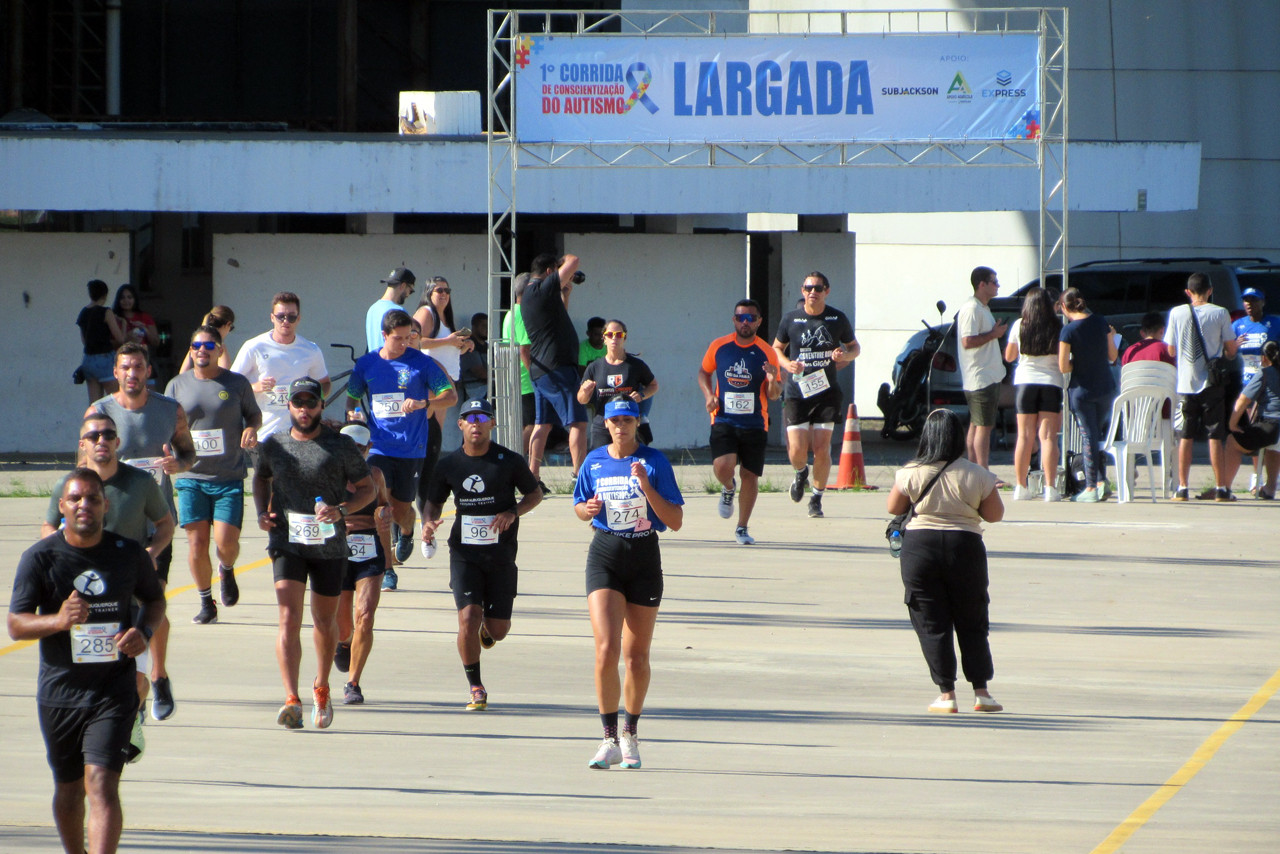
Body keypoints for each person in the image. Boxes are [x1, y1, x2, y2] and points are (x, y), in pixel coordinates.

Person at [10, 469, 166, 854]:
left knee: (101, 783)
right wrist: (59, 620)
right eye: (76, 498)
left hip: (113, 690)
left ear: (105, 506)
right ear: (61, 505)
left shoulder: (127, 553)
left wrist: (142, 633)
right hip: (60, 692)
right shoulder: (41, 558)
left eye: (93, 498)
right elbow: (16, 623)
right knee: (68, 787)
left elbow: (155, 600)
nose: (84, 505)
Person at [43, 412, 174, 764]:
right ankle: (100, 728)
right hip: (84, 602)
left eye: (108, 435)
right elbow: (48, 528)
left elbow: (165, 524)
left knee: (136, 679)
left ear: (117, 442)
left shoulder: (140, 483)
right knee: (87, 676)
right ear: (82, 444)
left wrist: (151, 554)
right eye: (94, 435)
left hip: (128, 598)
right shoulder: (67, 487)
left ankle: (133, 713)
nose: (102, 440)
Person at [253, 377, 375, 730]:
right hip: (287, 542)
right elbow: (260, 478)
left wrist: (342, 510)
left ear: (321, 405)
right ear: (288, 406)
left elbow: (366, 489)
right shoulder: (273, 445)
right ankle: (291, 698)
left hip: (329, 546)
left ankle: (321, 687)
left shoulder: (340, 446)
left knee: (325, 622)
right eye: (298, 403)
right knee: (288, 618)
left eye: (311, 403)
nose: (304, 409)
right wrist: (262, 512)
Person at [572, 399, 684, 769]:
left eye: (627, 420)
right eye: (615, 420)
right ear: (606, 423)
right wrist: (585, 510)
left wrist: (647, 486)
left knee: (636, 657)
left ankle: (630, 734)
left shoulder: (655, 461)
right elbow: (579, 504)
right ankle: (607, 739)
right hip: (605, 553)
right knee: (606, 649)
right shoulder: (594, 461)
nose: (621, 426)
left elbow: (675, 520)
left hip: (644, 557)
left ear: (638, 422)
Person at [88, 342, 196, 722]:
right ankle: (120, 689)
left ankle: (159, 674)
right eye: (125, 367)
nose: (132, 373)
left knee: (154, 601)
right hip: (108, 528)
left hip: (154, 528)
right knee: (111, 608)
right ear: (115, 373)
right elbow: (81, 470)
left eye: (138, 367)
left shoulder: (169, 410)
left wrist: (175, 464)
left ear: (149, 371)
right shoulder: (99, 413)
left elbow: (189, 454)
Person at [422, 398, 543, 711]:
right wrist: (428, 523)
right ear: (460, 425)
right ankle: (475, 686)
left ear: (492, 424)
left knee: (498, 630)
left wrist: (513, 512)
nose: (476, 423)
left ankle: (488, 631)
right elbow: (433, 502)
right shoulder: (449, 464)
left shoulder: (509, 461)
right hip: (464, 553)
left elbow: (535, 494)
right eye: (469, 418)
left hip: (501, 554)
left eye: (482, 418)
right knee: (468, 617)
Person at [886, 409, 1005, 715]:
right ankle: (982, 693)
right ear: (959, 438)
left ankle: (946, 694)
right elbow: (994, 516)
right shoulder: (978, 474)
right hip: (964, 548)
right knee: (972, 620)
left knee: (931, 622)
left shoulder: (910, 471)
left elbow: (893, 507)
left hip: (919, 549)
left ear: (927, 436)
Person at [345, 309, 456, 586]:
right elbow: (352, 397)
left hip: (411, 449)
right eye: (399, 338)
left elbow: (451, 396)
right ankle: (386, 568)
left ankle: (407, 531)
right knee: (379, 506)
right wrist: (353, 413)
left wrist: (424, 404)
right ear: (384, 336)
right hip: (379, 447)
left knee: (399, 509)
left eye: (410, 337)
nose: (405, 342)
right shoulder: (367, 364)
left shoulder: (421, 363)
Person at [165, 325, 262, 625]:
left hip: (228, 478)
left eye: (209, 346)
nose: (202, 351)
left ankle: (227, 569)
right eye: (197, 346)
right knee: (196, 543)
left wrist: (250, 429)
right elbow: (165, 424)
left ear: (220, 350)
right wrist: (167, 450)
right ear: (190, 350)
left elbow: (254, 415)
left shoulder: (236, 383)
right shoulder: (176, 386)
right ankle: (206, 601)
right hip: (191, 477)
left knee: (225, 544)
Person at [771, 271, 859, 518]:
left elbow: (855, 348)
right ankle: (800, 473)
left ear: (826, 291)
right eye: (808, 288)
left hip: (826, 392)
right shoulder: (791, 319)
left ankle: (817, 499)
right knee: (797, 451)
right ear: (802, 291)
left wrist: (845, 356)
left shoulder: (836, 318)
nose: (813, 292)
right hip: (798, 392)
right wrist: (787, 364)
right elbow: (776, 348)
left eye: (818, 288)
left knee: (822, 449)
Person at [697, 298, 781, 544]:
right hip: (723, 418)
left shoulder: (767, 352)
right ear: (734, 320)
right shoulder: (719, 346)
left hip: (755, 423)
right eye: (741, 317)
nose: (745, 322)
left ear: (759, 322)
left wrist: (773, 379)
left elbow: (774, 395)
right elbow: (704, 371)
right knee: (723, 466)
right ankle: (728, 488)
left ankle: (742, 528)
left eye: (751, 318)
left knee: (750, 475)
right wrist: (708, 395)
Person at [332, 422, 394, 705]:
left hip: (368, 549)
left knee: (365, 616)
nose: (354, 453)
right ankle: (344, 643)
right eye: (349, 447)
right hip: (337, 550)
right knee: (343, 627)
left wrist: (384, 513)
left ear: (368, 449)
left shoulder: (375, 474)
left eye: (360, 447)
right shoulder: (327, 475)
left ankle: (353, 683)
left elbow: (383, 504)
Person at [1164, 273, 1240, 501]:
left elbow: (1170, 350)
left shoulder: (1177, 313)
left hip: (1186, 383)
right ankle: (1221, 488)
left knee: (1185, 435)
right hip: (1212, 382)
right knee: (1215, 435)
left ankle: (1183, 488)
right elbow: (1230, 350)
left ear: (1188, 292)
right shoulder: (1220, 313)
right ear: (1210, 290)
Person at [230, 291, 331, 445]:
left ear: (298, 319)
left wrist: (311, 401)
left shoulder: (311, 350)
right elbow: (231, 384)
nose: (286, 321)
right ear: (272, 318)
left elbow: (325, 383)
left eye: (291, 317)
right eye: (280, 316)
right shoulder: (254, 346)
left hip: (300, 435)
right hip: (264, 435)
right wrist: (255, 387)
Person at [522, 252, 589, 482]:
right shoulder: (540, 289)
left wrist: (565, 293)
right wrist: (563, 262)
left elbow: (557, 319)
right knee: (578, 421)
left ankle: (533, 475)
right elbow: (574, 259)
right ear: (550, 272)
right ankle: (579, 474)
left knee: (543, 424)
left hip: (543, 371)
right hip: (558, 368)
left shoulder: (533, 295)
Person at [411, 277, 474, 519]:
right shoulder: (426, 312)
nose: (444, 294)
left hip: (444, 381)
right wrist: (449, 341)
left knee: (434, 435)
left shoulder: (444, 316)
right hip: (431, 379)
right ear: (429, 292)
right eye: (439, 290)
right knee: (426, 433)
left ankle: (425, 490)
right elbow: (417, 341)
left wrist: (461, 345)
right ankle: (419, 486)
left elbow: (441, 344)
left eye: (447, 290)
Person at [1003, 287, 1064, 501]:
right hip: (1051, 383)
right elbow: (1062, 360)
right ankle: (1050, 488)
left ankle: (1021, 487)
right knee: (1048, 437)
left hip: (1024, 383)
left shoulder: (1019, 325)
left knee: (1024, 436)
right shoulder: (1058, 326)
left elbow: (1009, 356)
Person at [1058, 288, 1119, 503]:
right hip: (1105, 387)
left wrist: (1079, 362)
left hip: (1082, 390)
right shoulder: (1101, 322)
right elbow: (1113, 356)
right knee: (1097, 436)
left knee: (1088, 437)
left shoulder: (1068, 331)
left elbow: (1063, 366)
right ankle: (1101, 481)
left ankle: (1091, 486)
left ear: (1064, 307)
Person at [957, 266, 1009, 471]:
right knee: (984, 427)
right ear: (982, 284)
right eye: (994, 282)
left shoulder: (982, 307)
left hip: (985, 376)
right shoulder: (972, 309)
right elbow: (967, 341)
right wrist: (993, 335)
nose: (998, 286)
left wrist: (993, 332)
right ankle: (983, 471)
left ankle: (974, 469)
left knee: (977, 425)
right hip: (980, 376)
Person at [578, 319, 659, 450]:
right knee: (601, 465)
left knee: (629, 463)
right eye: (610, 335)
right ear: (604, 338)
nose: (614, 338)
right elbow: (581, 399)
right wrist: (585, 392)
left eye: (619, 335)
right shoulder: (595, 367)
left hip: (626, 423)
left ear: (624, 338)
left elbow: (654, 385)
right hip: (603, 424)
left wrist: (641, 395)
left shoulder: (635, 365)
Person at [1230, 289, 1280, 492]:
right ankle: (1256, 476)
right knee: (1253, 429)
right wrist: (1234, 345)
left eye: (1254, 300)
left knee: (1269, 430)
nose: (1249, 304)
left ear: (1263, 302)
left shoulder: (1274, 323)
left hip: (1270, 381)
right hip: (1248, 382)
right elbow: (1228, 353)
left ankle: (1271, 479)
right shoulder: (1238, 325)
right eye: (1246, 301)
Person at [1224, 340, 1280, 499]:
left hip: (1272, 424)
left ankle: (1225, 488)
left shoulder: (1265, 373)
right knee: (1273, 447)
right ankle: (1269, 489)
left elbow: (1243, 400)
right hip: (1276, 433)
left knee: (1232, 442)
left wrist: (1232, 423)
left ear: (1263, 358)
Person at [501, 273, 537, 457]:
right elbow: (524, 349)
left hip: (517, 376)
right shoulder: (523, 313)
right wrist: (535, 377)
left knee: (526, 424)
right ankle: (516, 459)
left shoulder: (510, 313)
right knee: (532, 424)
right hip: (526, 379)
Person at [75, 278, 126, 402]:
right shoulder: (106, 312)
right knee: (115, 402)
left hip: (88, 360)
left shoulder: (83, 313)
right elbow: (120, 339)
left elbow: (84, 341)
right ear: (105, 294)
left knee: (95, 405)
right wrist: (123, 324)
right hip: (105, 359)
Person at [365, 267, 417, 353]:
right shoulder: (398, 311)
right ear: (403, 286)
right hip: (392, 363)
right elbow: (405, 344)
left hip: (374, 362)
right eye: (410, 290)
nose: (408, 294)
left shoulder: (373, 308)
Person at [178, 306, 236, 373]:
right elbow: (225, 373)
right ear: (228, 324)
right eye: (231, 328)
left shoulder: (197, 343)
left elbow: (183, 374)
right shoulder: (219, 345)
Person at [112, 284, 159, 354]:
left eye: (129, 297)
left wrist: (145, 329)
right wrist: (127, 338)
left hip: (141, 357)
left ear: (135, 299)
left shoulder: (145, 317)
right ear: (118, 300)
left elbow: (156, 342)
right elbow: (109, 344)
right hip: (121, 358)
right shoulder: (113, 318)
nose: (126, 301)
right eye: (122, 298)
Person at [457, 312, 490, 402]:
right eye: (483, 326)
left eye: (488, 325)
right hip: (475, 392)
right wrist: (498, 376)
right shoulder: (469, 346)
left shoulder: (489, 347)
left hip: (490, 390)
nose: (487, 329)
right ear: (474, 327)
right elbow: (480, 372)